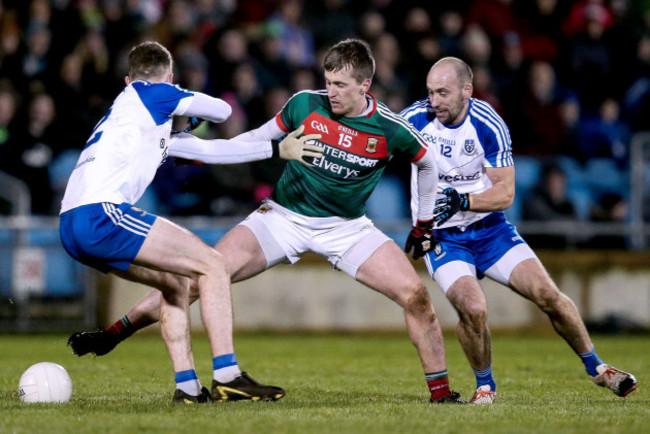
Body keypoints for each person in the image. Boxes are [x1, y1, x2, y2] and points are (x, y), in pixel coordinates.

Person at [67, 38, 465, 404]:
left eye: (342, 85)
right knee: (195, 278)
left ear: (366, 84)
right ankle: (115, 333)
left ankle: (441, 395)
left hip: (347, 227)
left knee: (416, 296)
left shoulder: (390, 129)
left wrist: (424, 223)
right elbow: (257, 137)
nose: (332, 92)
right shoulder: (304, 104)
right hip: (281, 218)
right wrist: (203, 150)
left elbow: (427, 164)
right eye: (328, 81)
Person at [59, 41, 323, 404]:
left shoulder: (135, 121)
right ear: (169, 78)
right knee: (212, 264)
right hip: (101, 213)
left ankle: (187, 386)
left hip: (71, 223)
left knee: (176, 284)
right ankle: (228, 375)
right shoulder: (150, 92)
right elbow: (222, 109)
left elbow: (213, 151)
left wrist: (275, 150)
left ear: (125, 79)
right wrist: (188, 110)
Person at [399, 57, 638, 404]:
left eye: (443, 93)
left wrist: (462, 201)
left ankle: (598, 369)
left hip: (490, 230)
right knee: (474, 308)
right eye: (430, 92)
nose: (434, 101)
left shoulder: (487, 124)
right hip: (445, 239)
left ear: (467, 90)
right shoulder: (414, 119)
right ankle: (486, 385)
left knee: (548, 295)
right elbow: (373, 142)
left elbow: (505, 193)